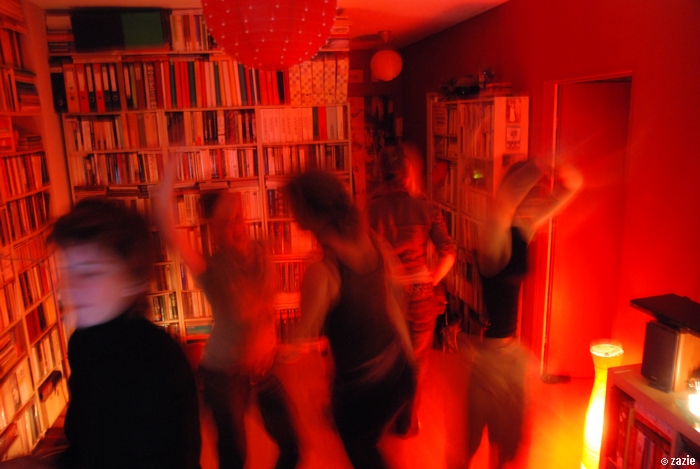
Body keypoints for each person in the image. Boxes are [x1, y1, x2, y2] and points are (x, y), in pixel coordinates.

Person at [0, 198, 202, 469]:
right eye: (67, 271)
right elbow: (90, 448)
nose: (69, 287)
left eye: (89, 273)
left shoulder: (156, 364)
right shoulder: (84, 341)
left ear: (134, 279)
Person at [154, 161, 300, 469]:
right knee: (234, 457)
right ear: (214, 229)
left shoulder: (262, 250)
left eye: (239, 216)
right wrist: (173, 162)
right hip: (224, 375)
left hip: (265, 367)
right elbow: (166, 225)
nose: (238, 225)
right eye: (228, 222)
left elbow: (266, 309)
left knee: (293, 446)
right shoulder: (210, 268)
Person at [284, 170, 417, 469]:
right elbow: (398, 296)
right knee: (369, 447)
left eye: (293, 207)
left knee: (363, 452)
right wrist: (411, 363)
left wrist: (266, 353)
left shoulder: (322, 271)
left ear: (307, 211)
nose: (291, 215)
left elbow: (299, 339)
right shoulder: (372, 240)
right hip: (399, 373)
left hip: (363, 393)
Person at [467, 159, 583, 469]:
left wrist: (560, 168)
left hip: (513, 356)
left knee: (510, 448)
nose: (536, 199)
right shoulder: (493, 234)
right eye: (531, 193)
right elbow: (505, 201)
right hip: (490, 361)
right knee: (468, 450)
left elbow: (573, 186)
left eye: (536, 193)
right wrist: (541, 164)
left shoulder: (523, 229)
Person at [366, 142, 456, 435]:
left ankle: (381, 417)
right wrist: (431, 280)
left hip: (384, 295)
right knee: (416, 361)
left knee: (385, 360)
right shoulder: (426, 208)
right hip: (419, 294)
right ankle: (407, 421)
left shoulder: (370, 209)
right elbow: (448, 253)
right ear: (411, 173)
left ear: (382, 172)